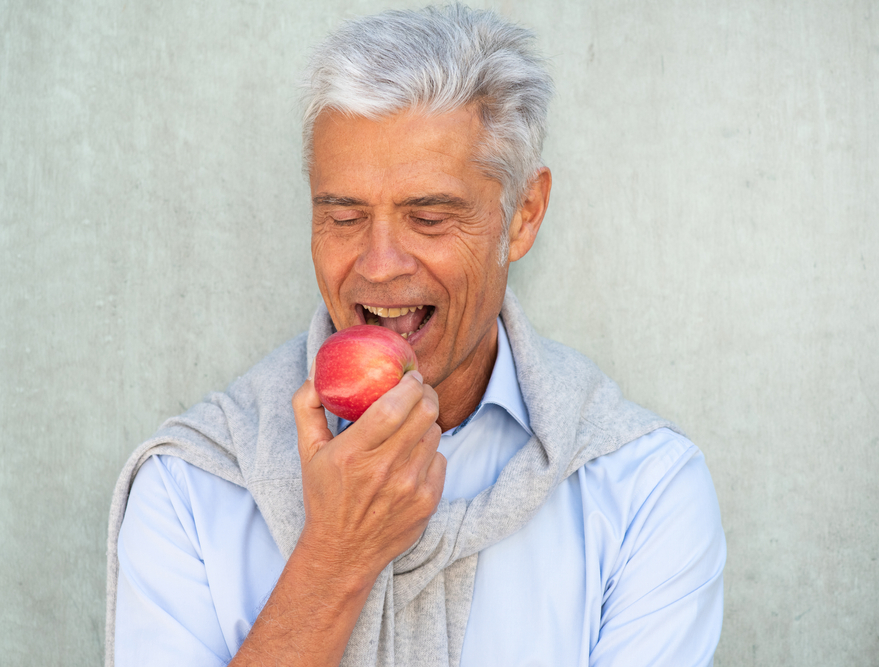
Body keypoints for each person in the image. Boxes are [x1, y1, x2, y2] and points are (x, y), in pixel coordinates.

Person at [105, 5, 727, 667]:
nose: (378, 265)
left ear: (524, 215)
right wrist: (334, 560)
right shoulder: (191, 485)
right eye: (344, 216)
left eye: (429, 217)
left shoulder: (643, 489)